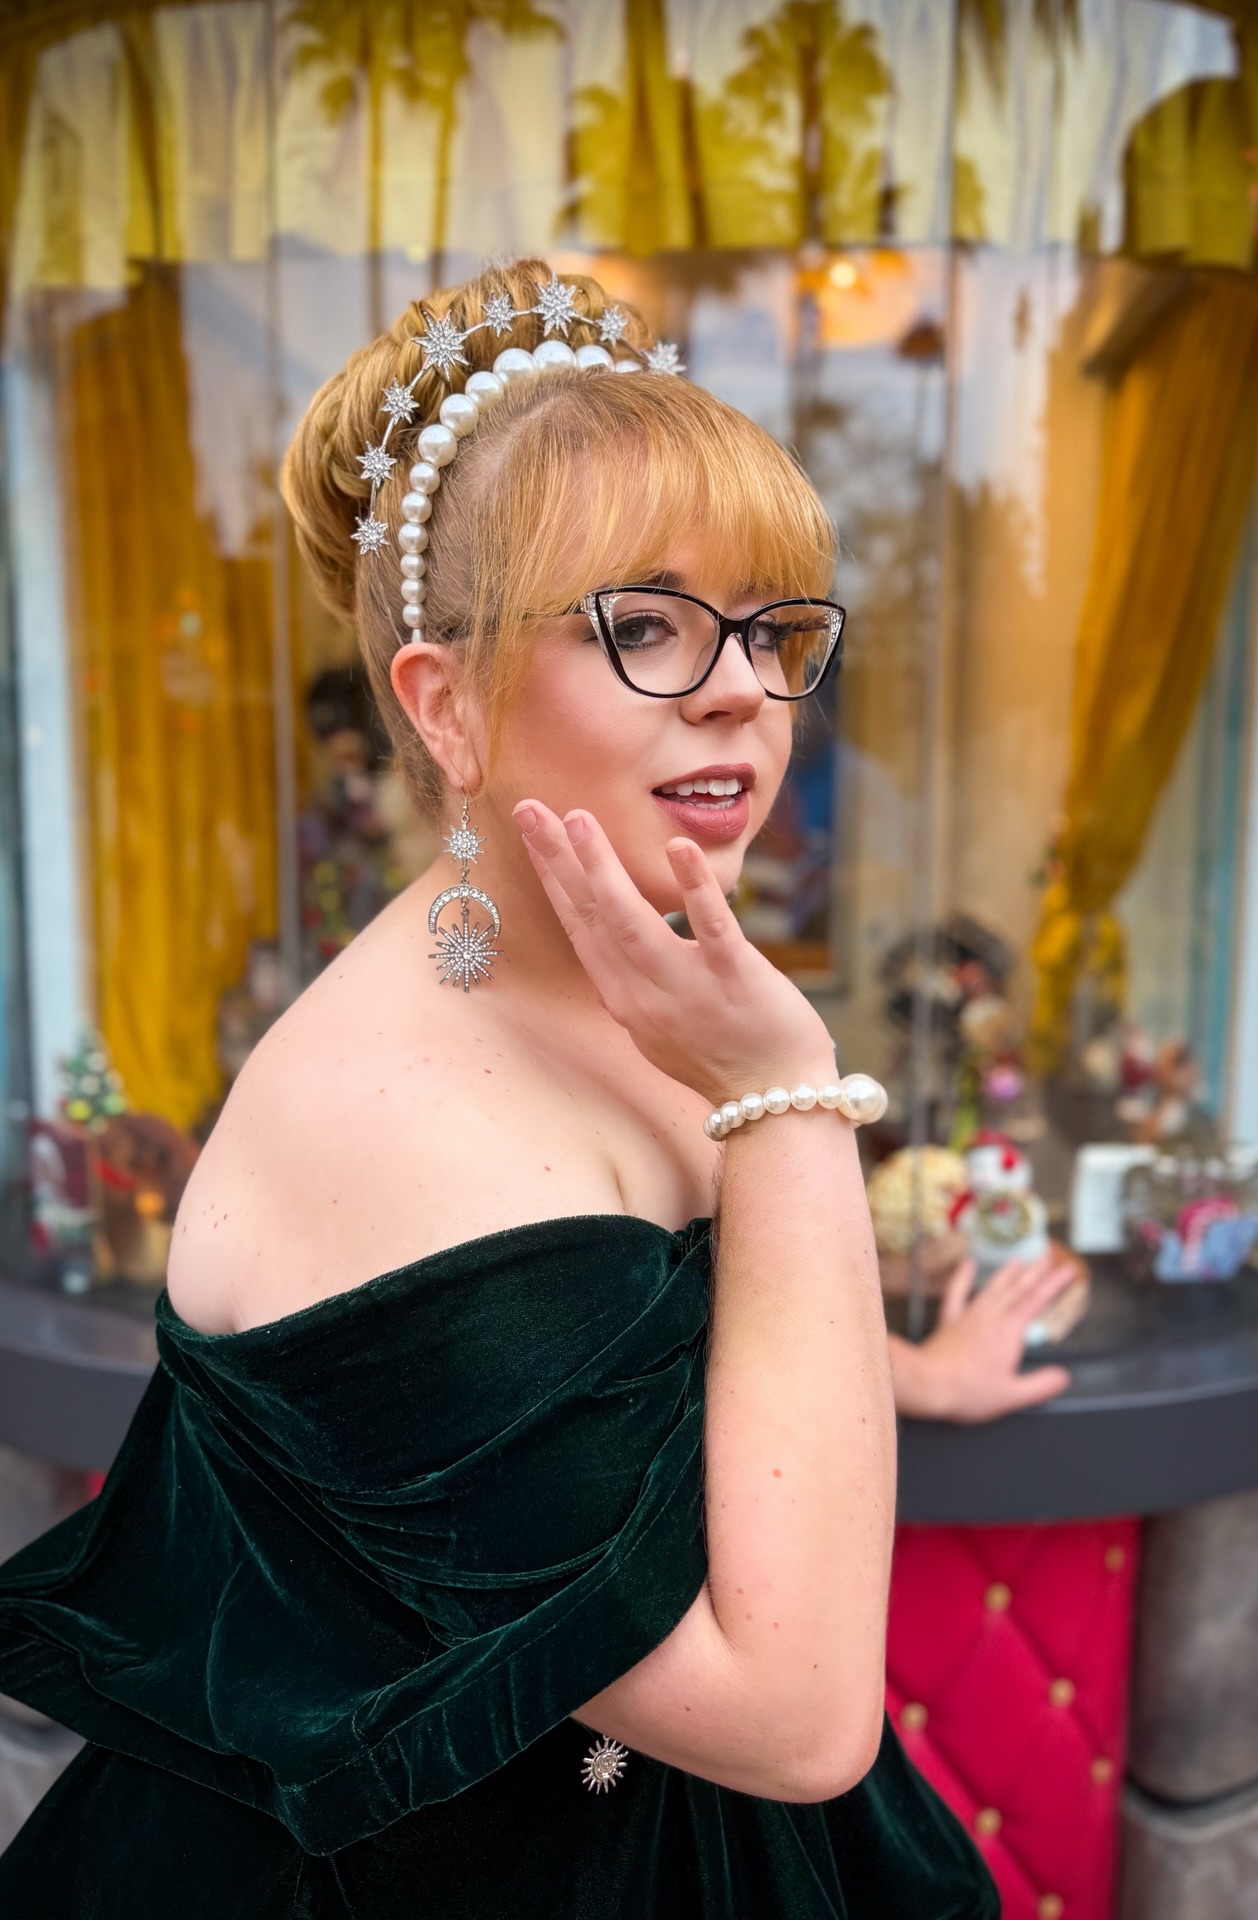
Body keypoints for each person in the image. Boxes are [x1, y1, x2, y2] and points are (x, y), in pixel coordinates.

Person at [0, 260, 1002, 1917]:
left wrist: (913, 1371)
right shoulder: (398, 1127)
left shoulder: (628, 971)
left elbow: (663, 1344)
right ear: (447, 702)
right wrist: (789, 1092)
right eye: (645, 627)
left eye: (771, 627)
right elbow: (796, 1720)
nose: (745, 688)